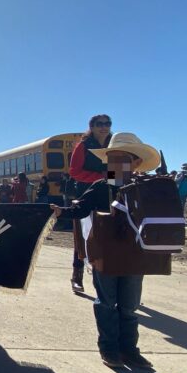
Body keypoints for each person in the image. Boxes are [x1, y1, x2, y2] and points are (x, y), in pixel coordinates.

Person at [51, 132, 161, 369]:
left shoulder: (144, 188)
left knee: (129, 306)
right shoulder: (101, 187)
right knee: (106, 302)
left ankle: (129, 350)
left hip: (135, 255)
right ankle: (109, 348)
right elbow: (80, 209)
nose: (115, 165)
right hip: (106, 254)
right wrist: (60, 211)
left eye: (122, 159)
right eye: (112, 159)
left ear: (136, 163)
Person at [67, 114, 113, 293]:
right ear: (92, 127)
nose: (104, 127)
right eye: (99, 124)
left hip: (110, 194)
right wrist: (100, 178)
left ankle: (106, 276)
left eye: (107, 123)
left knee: (108, 236)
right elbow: (74, 171)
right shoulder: (83, 146)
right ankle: (77, 275)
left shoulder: (114, 144)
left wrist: (114, 177)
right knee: (83, 235)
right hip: (87, 192)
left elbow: (119, 170)